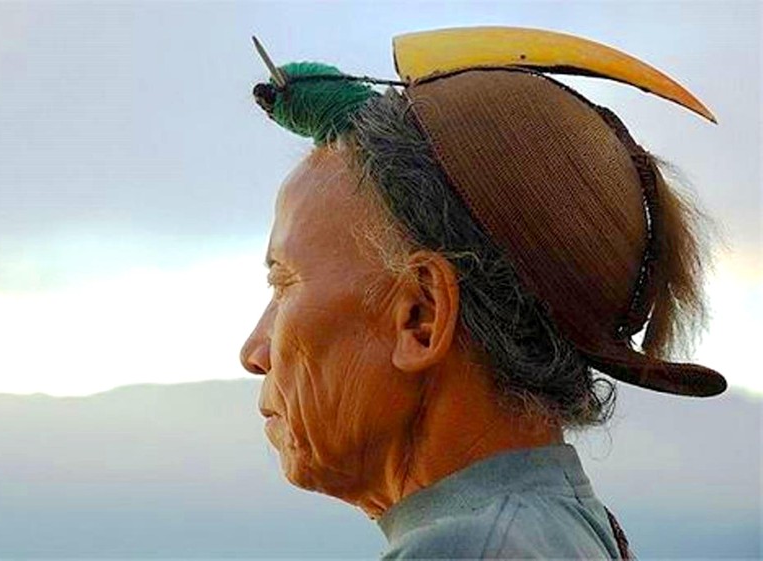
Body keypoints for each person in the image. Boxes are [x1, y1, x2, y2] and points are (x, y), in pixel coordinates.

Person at [239, 27, 726, 559]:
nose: (254, 352)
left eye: (283, 284)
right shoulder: (564, 527)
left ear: (421, 316)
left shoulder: (467, 549)